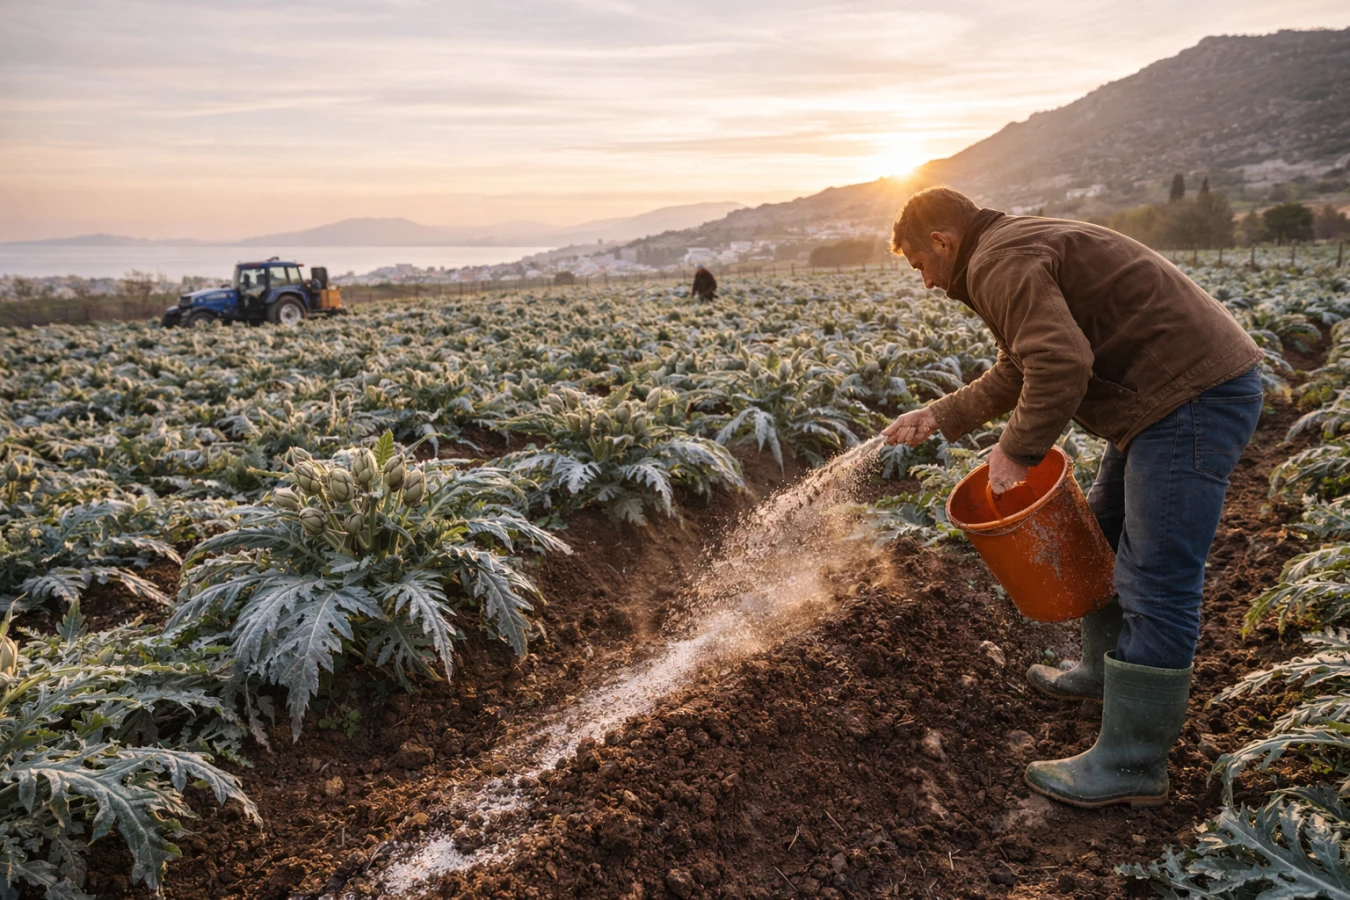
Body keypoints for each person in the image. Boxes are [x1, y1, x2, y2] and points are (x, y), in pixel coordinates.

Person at [881, 187, 1262, 808]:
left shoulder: (998, 261)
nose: (925, 282)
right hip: (1162, 398)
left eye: (921, 265)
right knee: (1101, 531)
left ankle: (1133, 763)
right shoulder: (1005, 247)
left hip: (1190, 398)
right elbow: (1019, 366)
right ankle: (1099, 671)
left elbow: (1060, 363)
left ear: (942, 242)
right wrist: (940, 414)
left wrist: (1016, 452)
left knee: (1157, 577)